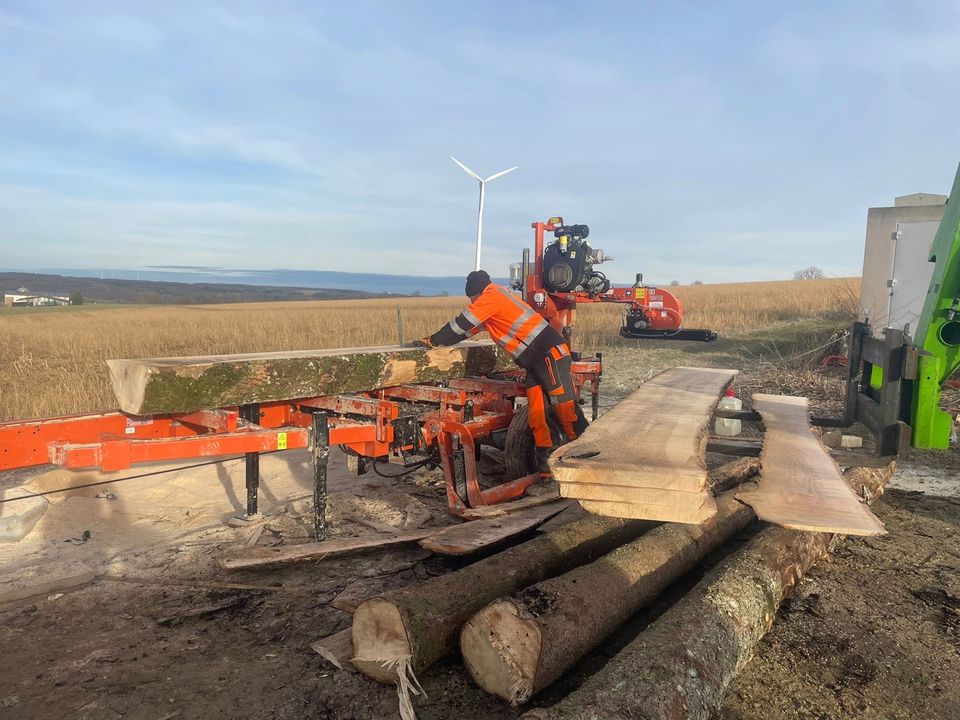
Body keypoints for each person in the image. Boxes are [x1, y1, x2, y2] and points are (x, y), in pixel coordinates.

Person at [412, 270, 588, 474]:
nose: (473, 303)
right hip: (535, 363)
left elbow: (461, 323)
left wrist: (433, 341)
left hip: (550, 356)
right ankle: (544, 473)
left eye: (472, 298)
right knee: (538, 419)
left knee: (566, 412)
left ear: (477, 292)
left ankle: (588, 461)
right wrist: (437, 342)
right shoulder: (492, 303)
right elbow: (466, 331)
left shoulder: (492, 296)